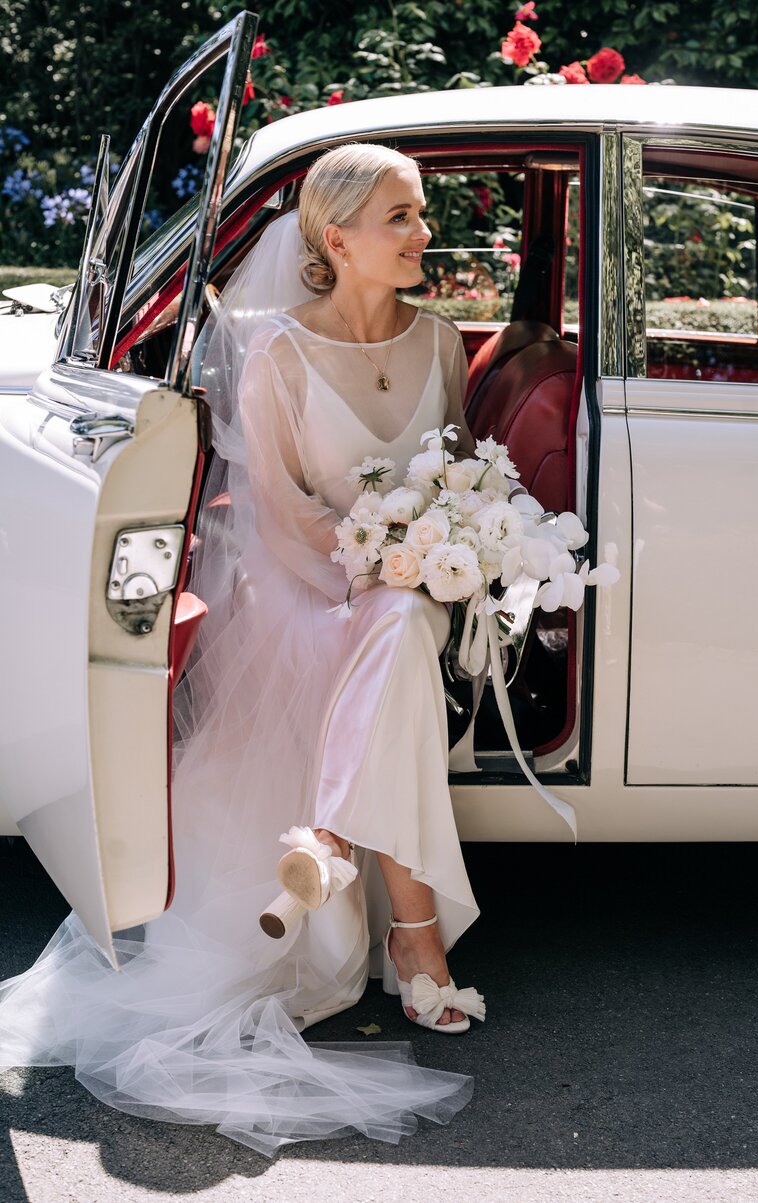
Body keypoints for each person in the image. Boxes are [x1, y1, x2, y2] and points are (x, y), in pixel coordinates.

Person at [0, 142, 507, 1157]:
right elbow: (278, 517)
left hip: (415, 582)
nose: (422, 234)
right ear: (337, 238)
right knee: (393, 631)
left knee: (404, 622)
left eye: (419, 214)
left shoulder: (442, 342)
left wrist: (433, 546)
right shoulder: (275, 351)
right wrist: (373, 565)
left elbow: (455, 476)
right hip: (306, 585)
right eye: (401, 217)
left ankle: (325, 842)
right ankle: (415, 929)